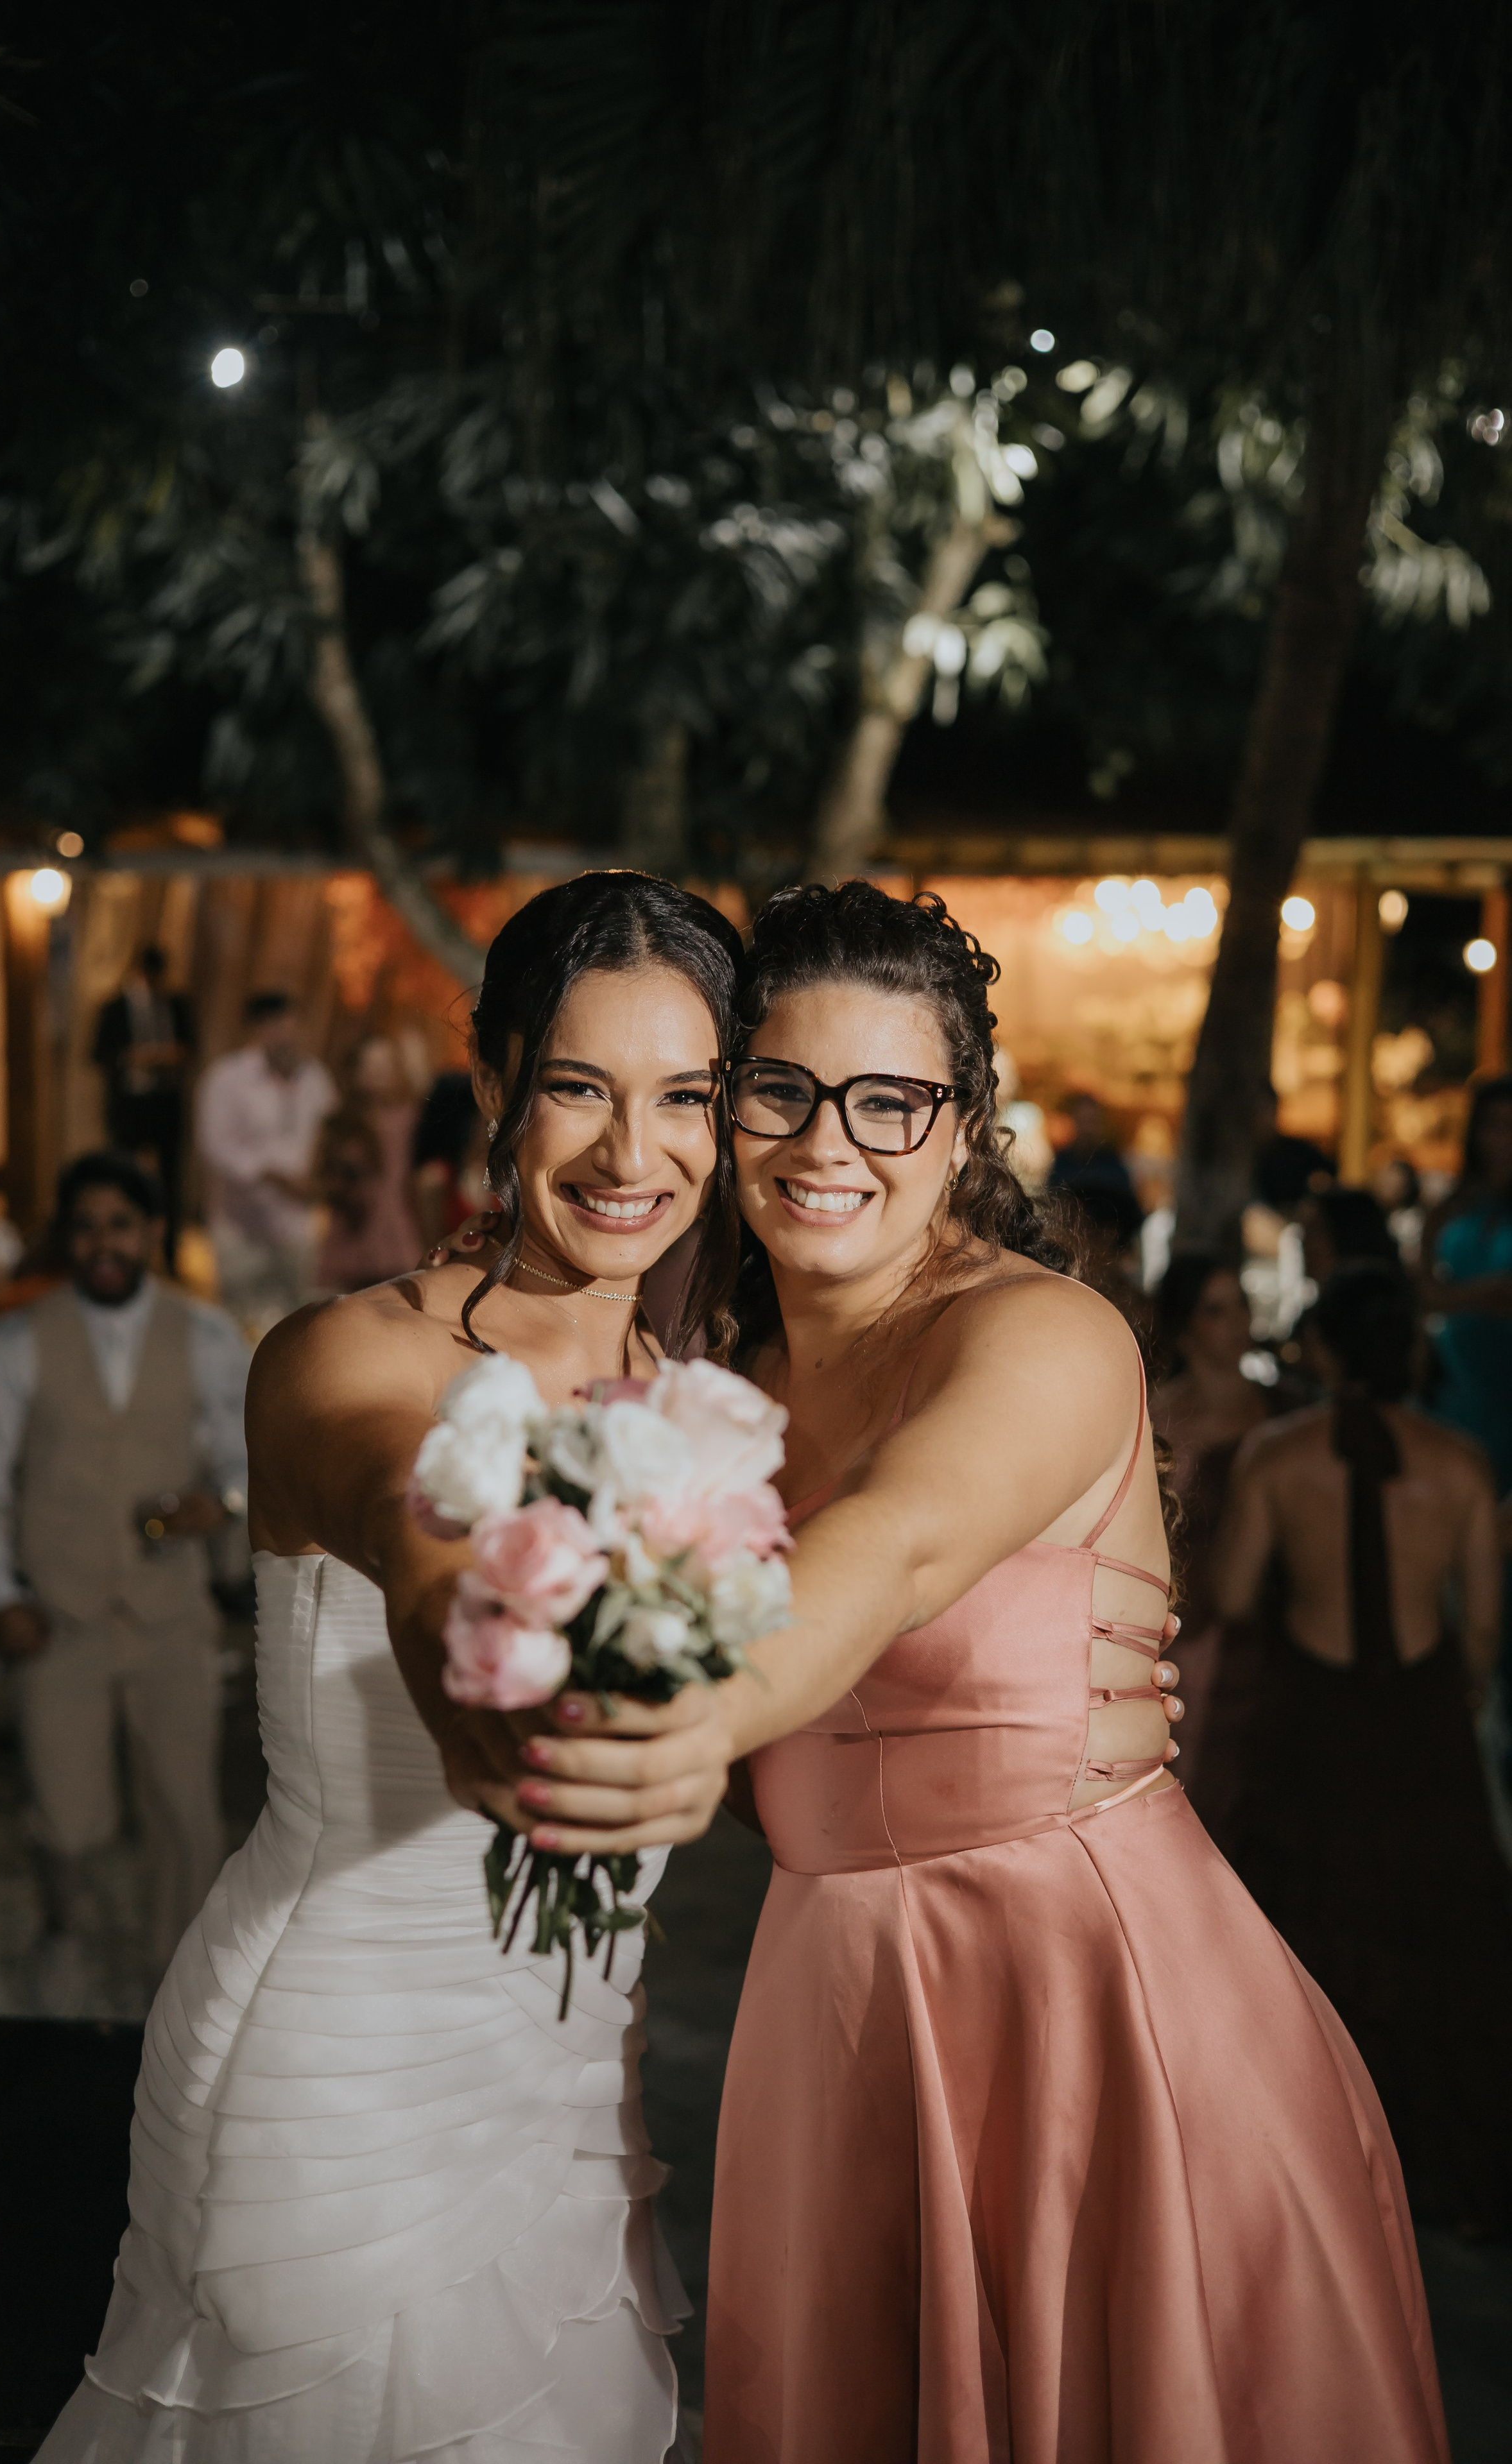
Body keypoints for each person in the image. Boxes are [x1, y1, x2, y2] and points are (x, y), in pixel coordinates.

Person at [516, 885, 1448, 2463]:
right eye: (781, 1091)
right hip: (835, 2010)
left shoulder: (1047, 1337)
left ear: (963, 1129)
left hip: (1088, 2014)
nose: (830, 1144)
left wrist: (697, 1710)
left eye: (890, 1100)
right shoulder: (713, 1388)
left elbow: (892, 1546)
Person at [33, 873, 746, 2464]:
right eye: (576, 1087)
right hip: (340, 2060)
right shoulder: (347, 1356)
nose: (634, 1157)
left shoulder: (702, 1401)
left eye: (682, 1096)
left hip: (575, 2070)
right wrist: (472, 1672)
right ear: (489, 1081)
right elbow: (414, 1522)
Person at [1215, 1262, 1512, 2237]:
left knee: (1305, 1933)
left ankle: (1304, 2151)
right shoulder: (1463, 1463)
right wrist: (1457, 1697)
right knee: (1439, 1937)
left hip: (1313, 1712)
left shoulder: (1274, 1454)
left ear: (1325, 1349)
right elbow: (1479, 1634)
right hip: (1420, 1717)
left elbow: (1232, 1589)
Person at [0, 1151, 250, 2004]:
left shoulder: (204, 1335)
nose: (102, 1245)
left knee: (187, 1821)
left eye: (120, 1226)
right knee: (66, 1824)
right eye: (85, 1229)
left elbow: (248, 1463)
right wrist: (1, 1594)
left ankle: (178, 2003)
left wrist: (219, 1502)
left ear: (153, 1233)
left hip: (168, 1617)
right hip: (59, 1615)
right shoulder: (18, 1342)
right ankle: (64, 1954)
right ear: (66, 1241)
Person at [1147, 1249, 1272, 1785]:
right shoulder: (1153, 1413)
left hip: (1263, 1635)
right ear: (1184, 1325)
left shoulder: (1283, 1412)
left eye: (1240, 1304)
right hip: (1176, 1630)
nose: (1238, 1321)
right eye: (1216, 1309)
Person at [194, 989, 337, 1337]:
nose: (285, 1034)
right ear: (258, 1029)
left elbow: (332, 1132)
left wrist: (320, 1180)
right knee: (243, 1326)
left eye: (291, 1025)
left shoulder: (315, 1078)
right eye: (275, 1025)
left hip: (298, 1228)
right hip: (242, 1229)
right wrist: (271, 1176)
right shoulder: (227, 1078)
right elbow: (215, 1144)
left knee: (300, 1327)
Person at [1422, 1071, 1512, 1495]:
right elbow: (1420, 1293)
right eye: (1493, 1125)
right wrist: (1488, 1293)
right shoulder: (1450, 1207)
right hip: (1457, 1379)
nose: (1502, 1139)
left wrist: (1452, 1298)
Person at [92, 946, 195, 1270]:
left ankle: (170, 1256)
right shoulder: (115, 1008)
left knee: (171, 1183)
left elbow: (191, 1047)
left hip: (166, 1106)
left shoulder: (176, 1005)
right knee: (122, 1180)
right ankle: (124, 1250)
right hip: (129, 1108)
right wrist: (135, 1057)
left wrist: (168, 1057)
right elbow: (98, 1054)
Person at [314, 1034, 423, 1291]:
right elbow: (321, 1178)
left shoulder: (412, 1120)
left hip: (399, 1236)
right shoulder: (341, 1123)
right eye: (371, 1065)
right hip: (352, 1237)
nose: (379, 1074)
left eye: (385, 1065)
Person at [412, 1068, 495, 1250]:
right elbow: (432, 1248)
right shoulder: (435, 1178)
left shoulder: (500, 1171)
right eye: (483, 1122)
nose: (492, 1127)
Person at [1253, 1082, 1334, 1211]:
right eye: (1256, 1111)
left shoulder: (1298, 1152)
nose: (1261, 1118)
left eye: (1265, 1109)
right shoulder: (1237, 1157)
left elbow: (1329, 1176)